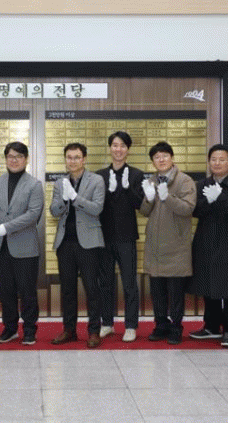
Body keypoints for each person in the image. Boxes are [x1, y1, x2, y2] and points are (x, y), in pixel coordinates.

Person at [189, 145, 228, 348]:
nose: (217, 163)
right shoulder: (202, 184)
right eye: (213, 159)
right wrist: (209, 200)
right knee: (209, 284)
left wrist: (221, 198)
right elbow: (194, 211)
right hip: (206, 240)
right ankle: (211, 326)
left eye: (222, 159)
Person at [0, 141, 44, 345]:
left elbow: (33, 214)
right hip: (1, 246)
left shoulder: (34, 185)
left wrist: (6, 227)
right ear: (5, 159)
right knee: (6, 291)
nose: (14, 160)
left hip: (25, 247)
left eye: (19, 156)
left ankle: (29, 330)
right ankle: (10, 328)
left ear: (26, 159)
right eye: (10, 156)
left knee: (27, 292)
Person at [50, 142, 105, 348]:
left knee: (92, 288)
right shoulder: (60, 183)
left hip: (88, 243)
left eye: (77, 157)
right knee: (67, 289)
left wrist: (75, 198)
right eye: (69, 157)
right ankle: (69, 330)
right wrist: (64, 201)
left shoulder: (96, 180)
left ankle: (94, 331)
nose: (72, 161)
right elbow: (54, 211)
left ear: (84, 159)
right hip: (65, 242)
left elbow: (97, 208)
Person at [140, 142, 196, 345]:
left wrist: (167, 197)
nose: (161, 160)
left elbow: (188, 208)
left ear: (172, 157)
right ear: (153, 161)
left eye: (164, 155)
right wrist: (148, 199)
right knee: (157, 291)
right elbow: (144, 212)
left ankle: (176, 327)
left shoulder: (184, 180)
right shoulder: (151, 181)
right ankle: (161, 325)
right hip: (155, 246)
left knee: (176, 292)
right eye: (156, 157)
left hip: (176, 246)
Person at [96, 131, 144, 342]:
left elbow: (140, 205)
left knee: (129, 283)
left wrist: (127, 188)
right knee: (105, 282)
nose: (118, 149)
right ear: (110, 148)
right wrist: (109, 191)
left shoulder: (136, 175)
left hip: (126, 237)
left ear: (128, 149)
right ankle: (107, 323)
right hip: (104, 236)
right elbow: (96, 205)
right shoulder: (99, 175)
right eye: (115, 145)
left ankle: (131, 326)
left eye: (122, 145)